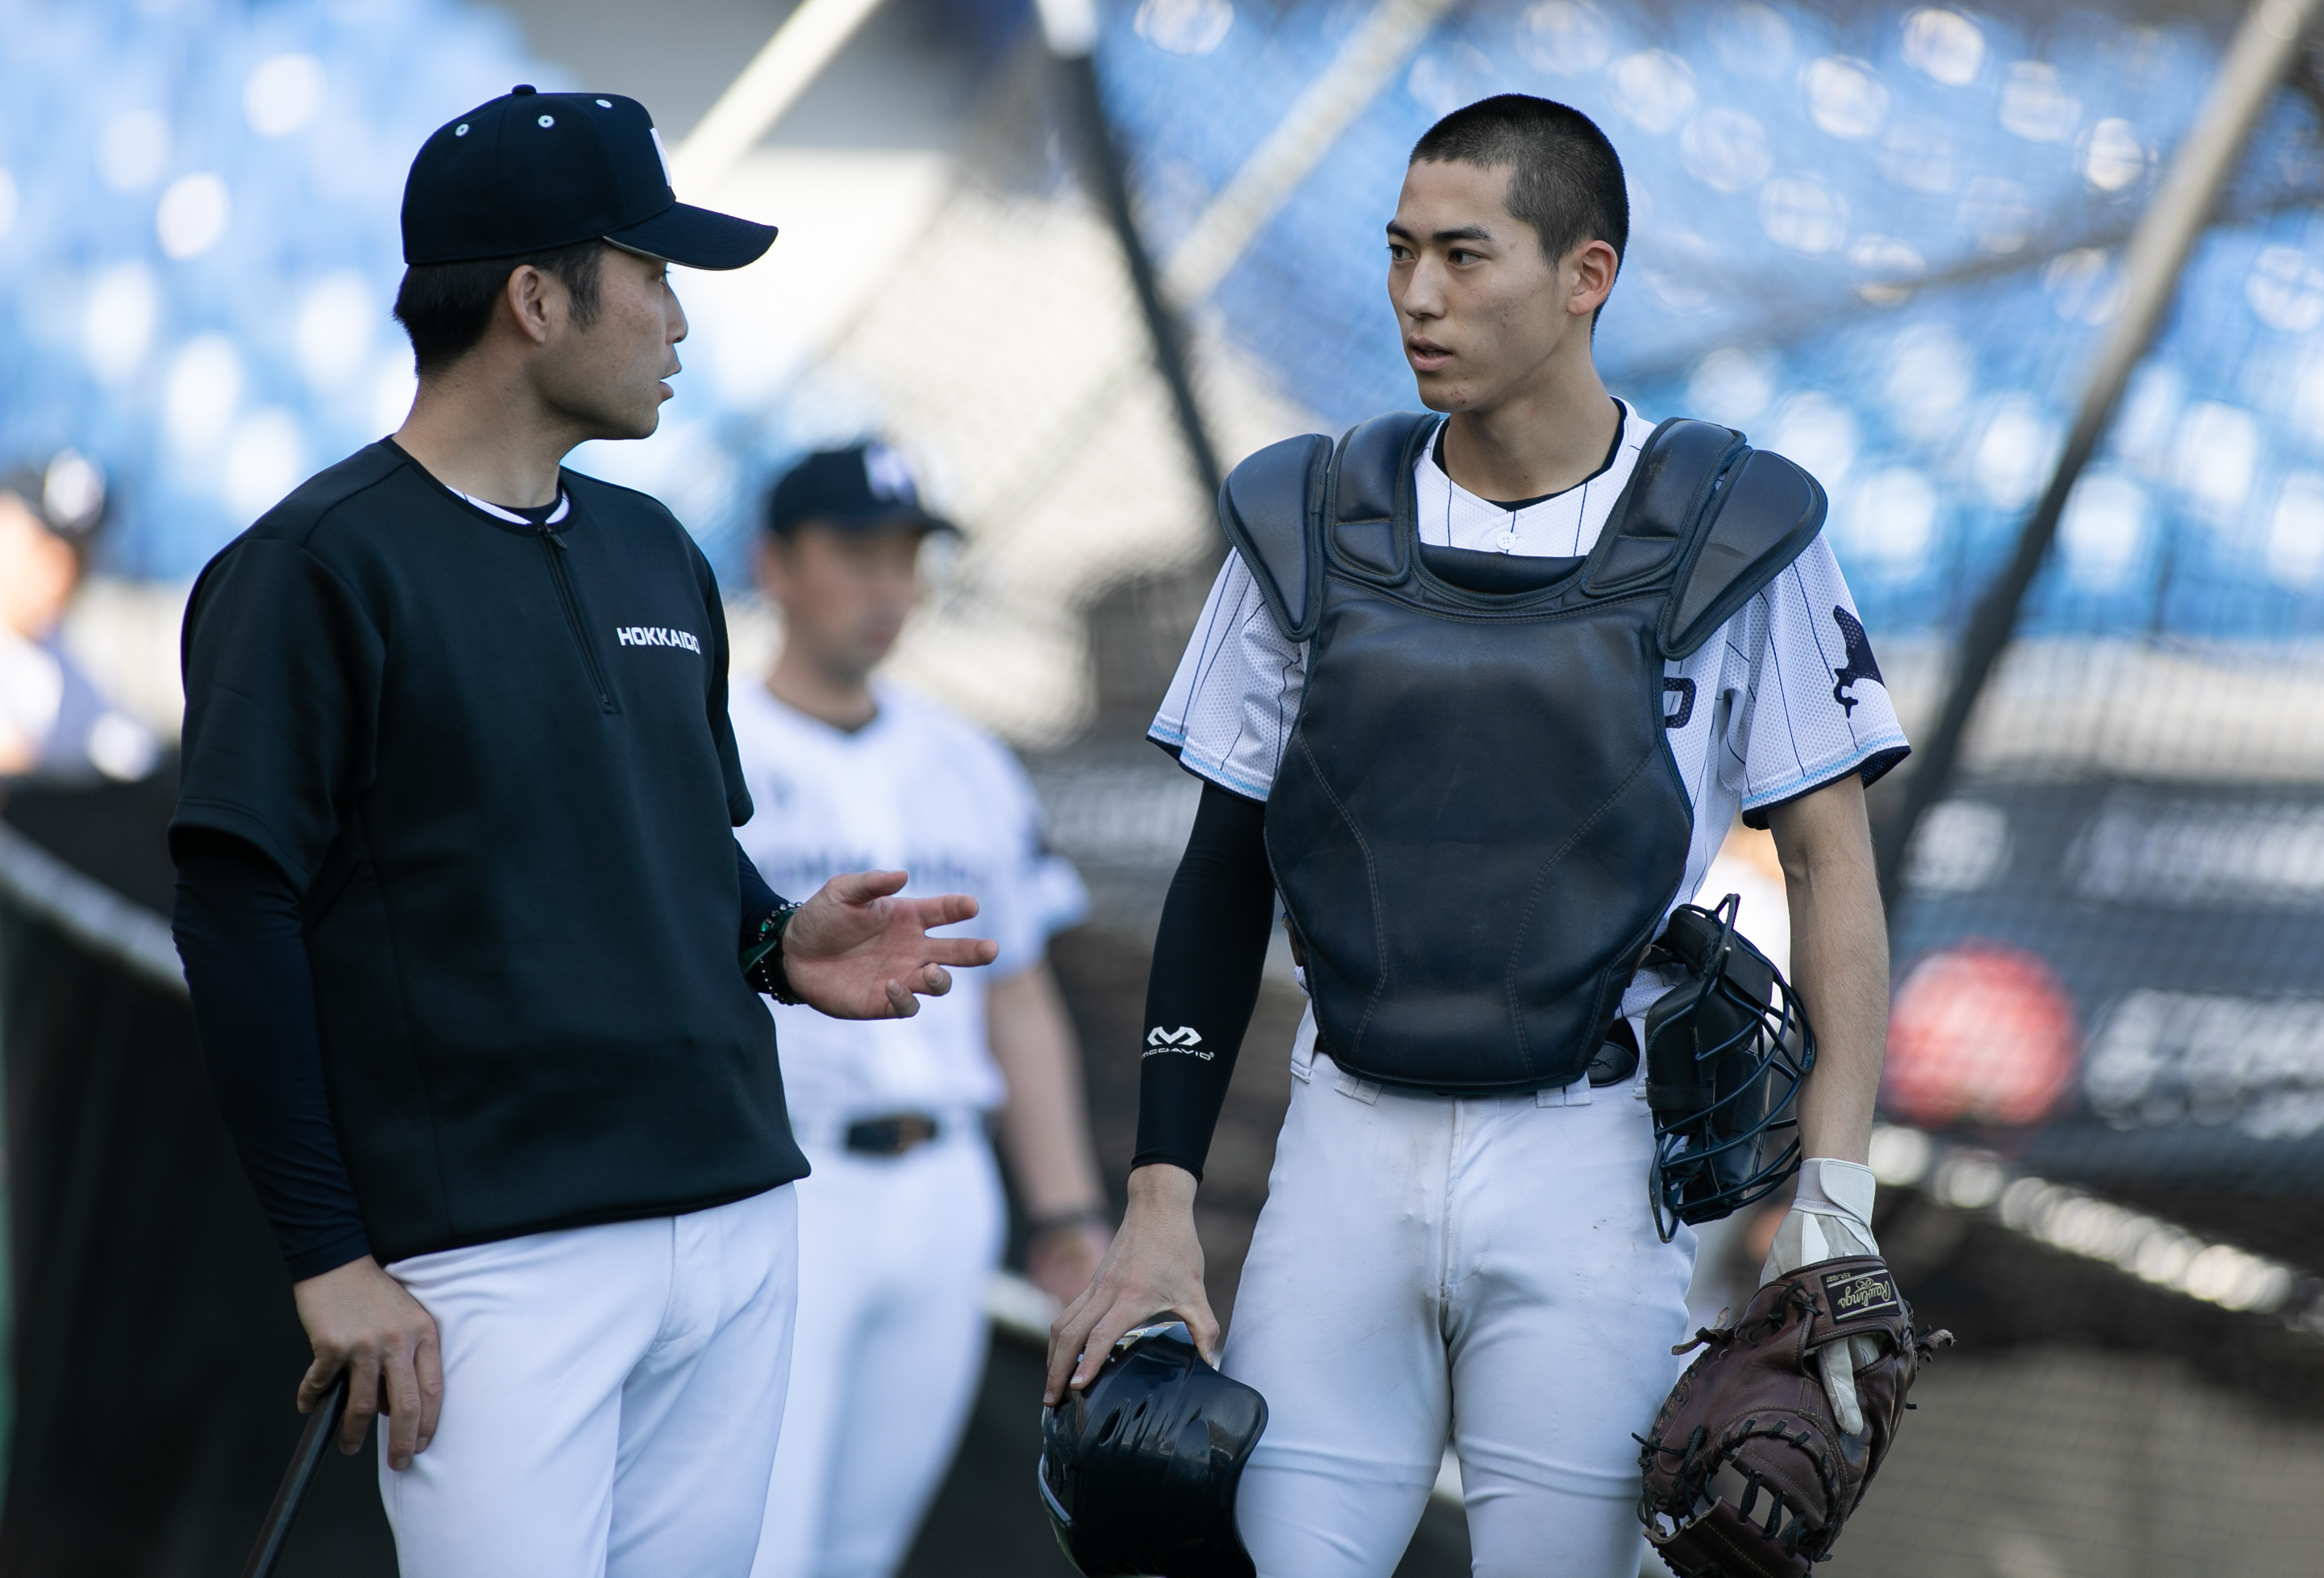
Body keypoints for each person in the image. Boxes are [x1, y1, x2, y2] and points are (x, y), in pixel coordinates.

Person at [1045, 94, 1908, 1576]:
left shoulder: (1740, 522)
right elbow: (1221, 869)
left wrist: (1835, 1198)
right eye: (1398, 253)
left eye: (1462, 254)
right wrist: (1157, 1199)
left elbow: (1831, 865)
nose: (1417, 296)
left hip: (1592, 1157)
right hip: (1343, 1143)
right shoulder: (1308, 513)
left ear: (1585, 275)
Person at [168, 88, 994, 1578]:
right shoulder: (312, 567)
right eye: (654, 272)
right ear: (536, 300)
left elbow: (670, 844)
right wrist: (328, 1255)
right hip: (498, 1255)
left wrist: (775, 940)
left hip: (739, 1208)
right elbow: (237, 917)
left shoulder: (654, 546)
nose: (679, 319)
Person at [733, 442, 1108, 1578]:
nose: (888, 586)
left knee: (861, 1550)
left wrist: (1065, 1212)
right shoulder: (710, 748)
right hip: (779, 1181)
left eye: (905, 557)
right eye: (856, 553)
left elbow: (1018, 995)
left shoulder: (968, 760)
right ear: (775, 564)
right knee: (755, 1542)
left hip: (946, 1186)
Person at [0, 452, 157, 785]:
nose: (57, 578)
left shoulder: (49, 649)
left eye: (74, 558)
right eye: (39, 545)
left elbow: (129, 749)